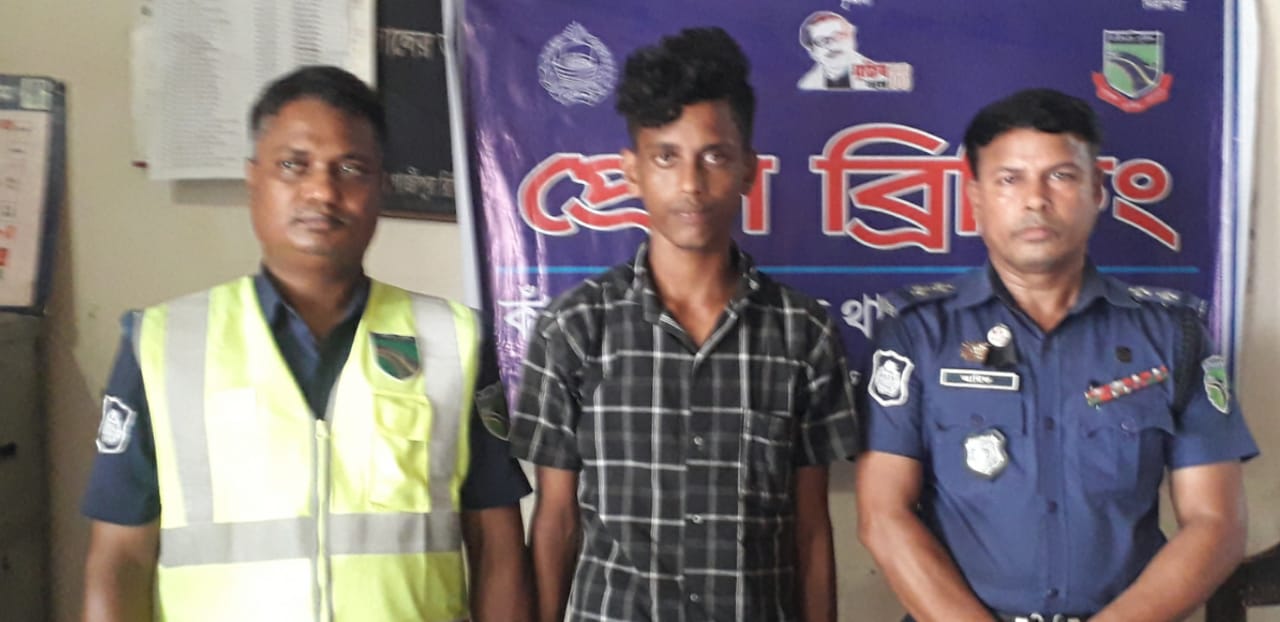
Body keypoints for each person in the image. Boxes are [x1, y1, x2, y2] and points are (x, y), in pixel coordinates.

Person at [80, 65, 532, 622]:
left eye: (351, 168)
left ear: (381, 187)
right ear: (253, 179)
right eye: (293, 165)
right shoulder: (163, 343)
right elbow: (119, 557)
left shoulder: (453, 340)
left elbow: (497, 546)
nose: (322, 190)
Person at [855, 88, 1258, 622]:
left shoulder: (1173, 335)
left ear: (1097, 191)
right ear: (975, 198)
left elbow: (1216, 523)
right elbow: (884, 514)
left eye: (1061, 176)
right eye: (1010, 179)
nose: (1036, 200)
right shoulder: (917, 334)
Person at [508, 27, 859, 622]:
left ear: (748, 169)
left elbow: (810, 531)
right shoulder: (573, 328)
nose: (691, 185)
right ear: (632, 171)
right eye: (666, 157)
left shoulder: (804, 334)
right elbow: (556, 520)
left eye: (714, 157)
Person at [797, 11, 870, 91]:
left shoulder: (879, 78)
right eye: (822, 40)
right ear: (812, 52)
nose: (832, 44)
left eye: (839, 36)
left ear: (852, 38)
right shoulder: (807, 85)